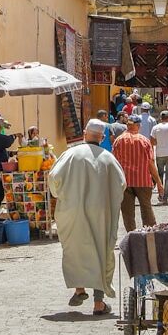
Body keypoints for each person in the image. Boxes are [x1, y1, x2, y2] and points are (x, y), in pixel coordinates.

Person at [48, 119, 126, 316]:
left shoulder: (70, 154)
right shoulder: (108, 158)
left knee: (75, 249)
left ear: (85, 133)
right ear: (102, 137)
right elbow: (121, 184)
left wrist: (61, 195)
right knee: (101, 251)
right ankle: (98, 303)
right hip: (100, 212)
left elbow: (54, 178)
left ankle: (79, 289)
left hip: (72, 211)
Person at [112, 114, 164, 231]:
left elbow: (114, 163)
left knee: (127, 213)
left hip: (125, 182)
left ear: (127, 125)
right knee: (146, 209)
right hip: (143, 180)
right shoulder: (144, 141)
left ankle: (131, 235)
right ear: (138, 126)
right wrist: (159, 183)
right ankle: (150, 234)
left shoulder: (118, 141)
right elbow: (150, 163)